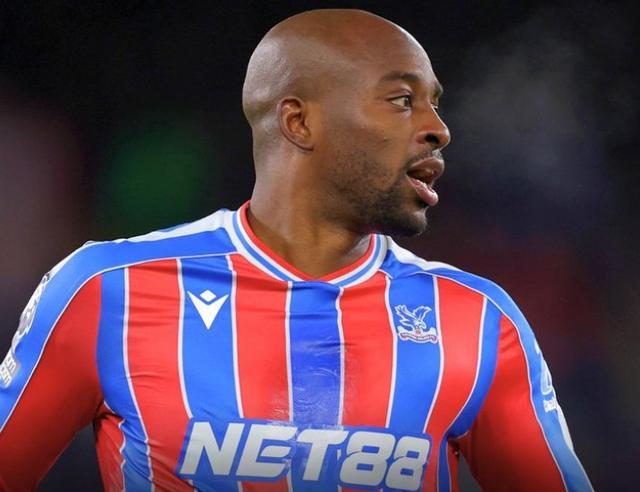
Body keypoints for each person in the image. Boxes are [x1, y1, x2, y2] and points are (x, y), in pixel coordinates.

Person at [0, 9, 592, 492]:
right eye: (401, 100)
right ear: (299, 122)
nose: (438, 128)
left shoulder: (477, 320)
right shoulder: (107, 290)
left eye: (434, 102)